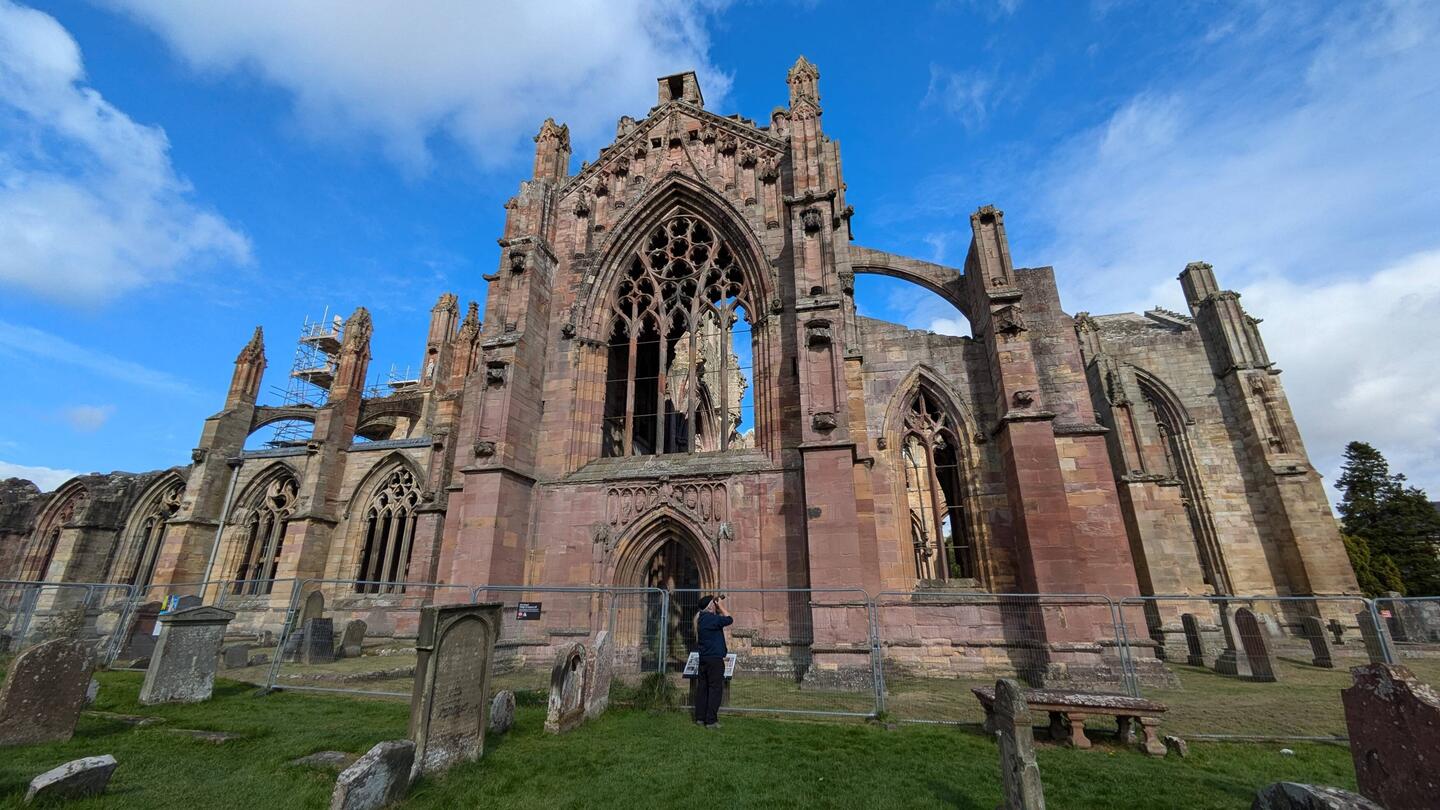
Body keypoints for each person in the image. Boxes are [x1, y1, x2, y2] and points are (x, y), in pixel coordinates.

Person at [692, 594, 732, 729]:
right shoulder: (711, 619)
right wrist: (721, 606)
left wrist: (716, 607)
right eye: (713, 604)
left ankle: (700, 717)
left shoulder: (702, 619)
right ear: (710, 606)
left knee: (703, 688)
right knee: (715, 689)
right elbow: (729, 619)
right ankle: (711, 721)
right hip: (714, 660)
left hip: (704, 659)